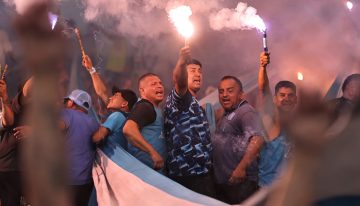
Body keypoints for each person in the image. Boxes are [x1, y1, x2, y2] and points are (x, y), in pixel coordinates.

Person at [164, 46, 215, 197]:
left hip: (203, 175)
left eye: (200, 71)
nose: (198, 74)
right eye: (192, 70)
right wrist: (181, 61)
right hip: (187, 176)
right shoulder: (179, 99)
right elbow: (179, 81)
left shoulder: (197, 104)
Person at [212, 76, 265, 204]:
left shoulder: (246, 112)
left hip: (241, 183)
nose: (224, 95)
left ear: (241, 94)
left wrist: (240, 169)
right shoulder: (228, 113)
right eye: (221, 91)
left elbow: (257, 140)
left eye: (230, 90)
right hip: (227, 184)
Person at [257, 52, 298, 187]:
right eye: (282, 95)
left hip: (290, 187)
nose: (286, 98)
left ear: (295, 99)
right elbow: (264, 89)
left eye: (290, 95)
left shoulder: (299, 122)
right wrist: (263, 67)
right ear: (274, 99)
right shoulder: (271, 118)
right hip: (269, 186)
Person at [61, 89, 99, 206]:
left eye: (67, 101)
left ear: (72, 103)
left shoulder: (65, 114)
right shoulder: (94, 123)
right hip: (85, 182)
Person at [122, 73, 167, 171]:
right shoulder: (145, 106)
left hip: (153, 173)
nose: (159, 86)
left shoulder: (154, 108)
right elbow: (128, 129)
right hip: (146, 173)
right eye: (153, 84)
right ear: (142, 91)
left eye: (160, 83)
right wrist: (153, 153)